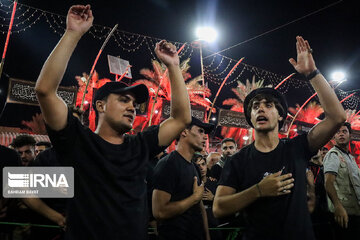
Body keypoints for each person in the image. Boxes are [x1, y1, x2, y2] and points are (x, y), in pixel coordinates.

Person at [34, 4, 191, 240]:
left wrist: (173, 66)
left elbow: (181, 118)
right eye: (123, 100)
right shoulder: (77, 142)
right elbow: (45, 90)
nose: (132, 107)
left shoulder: (140, 146)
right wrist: (73, 33)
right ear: (100, 105)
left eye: (134, 104)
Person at [213, 36, 346, 240]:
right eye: (255, 106)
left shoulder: (297, 148)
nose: (260, 109)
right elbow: (219, 208)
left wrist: (312, 73)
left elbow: (337, 117)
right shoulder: (237, 161)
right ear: (250, 117)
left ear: (281, 114)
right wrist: (258, 190)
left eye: (268, 105)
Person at [152, 117, 213, 240]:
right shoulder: (168, 164)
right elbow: (159, 212)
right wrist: (194, 198)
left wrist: (206, 236)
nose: (205, 137)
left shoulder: (194, 166)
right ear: (184, 132)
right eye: (200, 131)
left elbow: (200, 207)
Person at [324, 122, 360, 239]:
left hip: (355, 212)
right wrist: (338, 206)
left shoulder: (350, 158)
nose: (341, 134)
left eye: (344, 131)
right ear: (334, 137)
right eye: (337, 132)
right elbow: (328, 183)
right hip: (342, 214)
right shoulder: (333, 155)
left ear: (350, 135)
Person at [194, 155, 223, 240]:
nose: (201, 168)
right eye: (198, 165)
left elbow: (222, 202)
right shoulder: (191, 184)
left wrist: (213, 198)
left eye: (203, 164)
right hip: (197, 222)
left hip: (213, 222)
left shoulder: (214, 182)